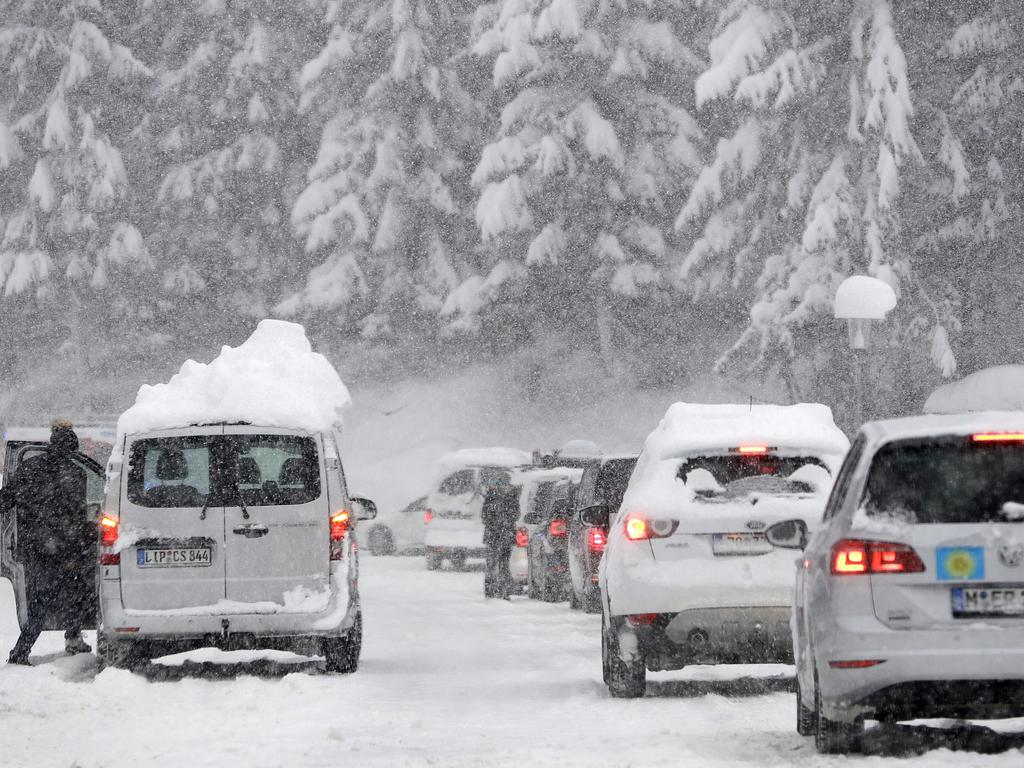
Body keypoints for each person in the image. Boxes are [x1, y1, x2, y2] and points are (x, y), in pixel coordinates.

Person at [2, 420, 93, 665]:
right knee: (76, 594)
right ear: (72, 450)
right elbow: (78, 516)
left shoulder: (30, 468)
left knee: (41, 600)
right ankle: (59, 642)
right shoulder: (76, 474)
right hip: (65, 550)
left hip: (34, 548)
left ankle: (27, 649)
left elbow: (6, 499)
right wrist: (83, 545)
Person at [481, 473, 520, 599]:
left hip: (494, 535)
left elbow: (484, 516)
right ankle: (504, 590)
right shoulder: (512, 496)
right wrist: (506, 522)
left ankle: (491, 588)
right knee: (504, 563)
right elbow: (516, 515)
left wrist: (494, 523)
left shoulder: (491, 496)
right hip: (506, 534)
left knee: (492, 562)